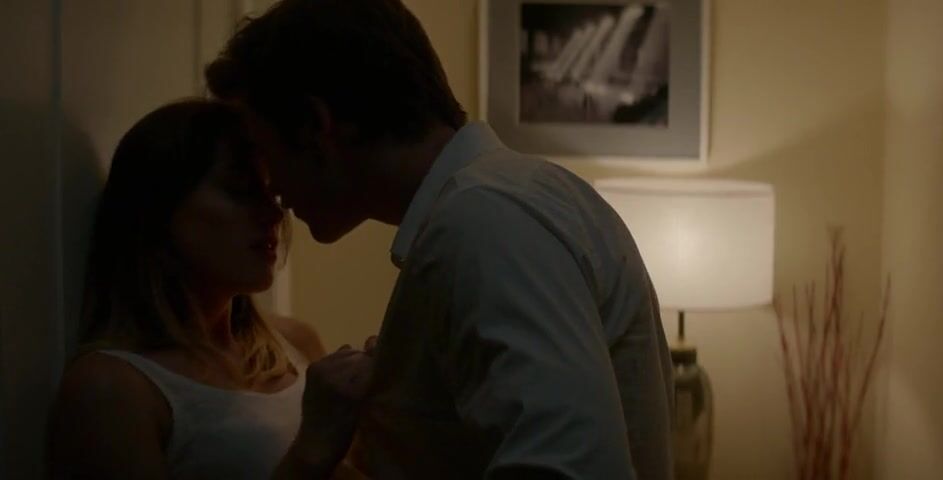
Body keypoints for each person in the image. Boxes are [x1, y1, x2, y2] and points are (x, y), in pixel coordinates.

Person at [206, 0, 676, 478]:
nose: (271, 188)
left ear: (314, 125)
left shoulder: (487, 221)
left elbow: (563, 469)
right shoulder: (504, 204)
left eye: (264, 151)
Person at [46, 99, 369, 479]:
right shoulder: (110, 387)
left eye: (272, 193)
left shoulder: (296, 344)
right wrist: (312, 453)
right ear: (158, 210)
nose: (273, 214)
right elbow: (317, 455)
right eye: (241, 190)